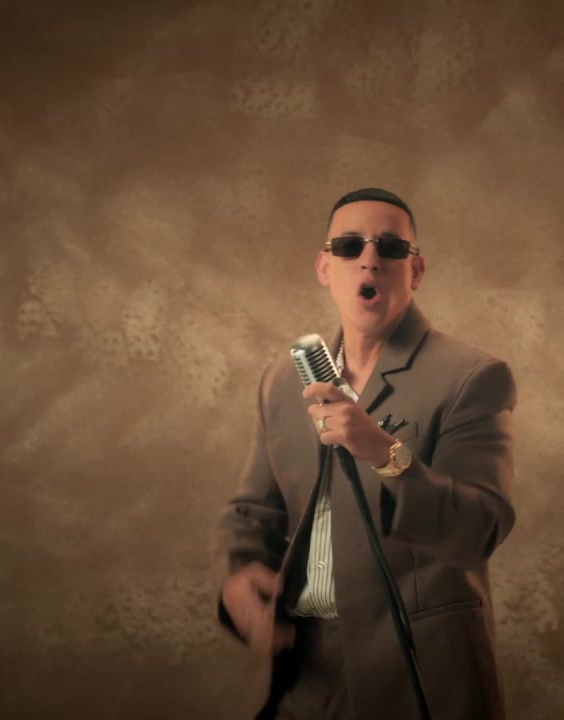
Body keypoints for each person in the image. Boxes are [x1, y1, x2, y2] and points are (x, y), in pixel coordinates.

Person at [216, 188, 517, 719]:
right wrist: (240, 575)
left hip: (416, 674)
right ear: (325, 267)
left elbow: (480, 528)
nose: (370, 259)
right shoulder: (282, 381)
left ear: (415, 271)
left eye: (391, 248)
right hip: (301, 673)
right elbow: (253, 512)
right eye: (350, 245)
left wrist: (383, 450)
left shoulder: (472, 377)